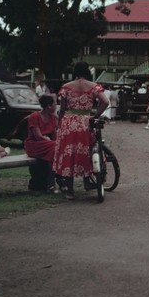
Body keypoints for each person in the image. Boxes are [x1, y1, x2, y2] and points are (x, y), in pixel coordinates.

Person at [53, 62, 109, 200]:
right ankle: (87, 181)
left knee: (69, 154)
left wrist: (59, 124)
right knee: (86, 151)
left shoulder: (67, 87)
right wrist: (95, 115)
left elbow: (63, 109)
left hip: (69, 123)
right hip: (85, 122)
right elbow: (105, 102)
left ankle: (70, 191)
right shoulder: (93, 86)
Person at [25, 94, 59, 193]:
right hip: (34, 145)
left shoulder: (53, 117)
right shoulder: (35, 116)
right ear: (49, 105)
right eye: (55, 103)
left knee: (57, 147)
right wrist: (49, 140)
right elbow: (38, 136)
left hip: (48, 145)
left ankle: (52, 182)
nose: (56, 105)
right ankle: (52, 182)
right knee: (55, 146)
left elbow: (55, 136)